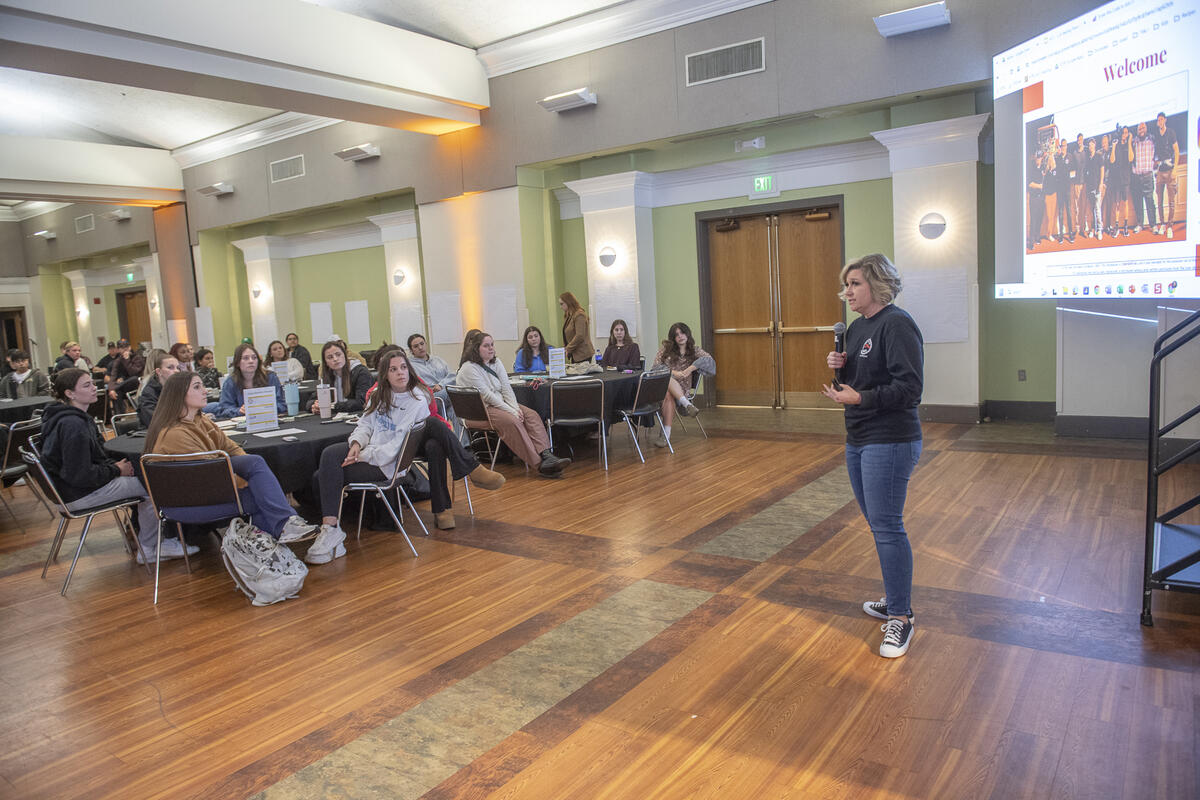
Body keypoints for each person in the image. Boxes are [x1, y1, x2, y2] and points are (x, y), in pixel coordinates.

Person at [821, 253, 923, 659]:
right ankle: (894, 595)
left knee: (887, 526)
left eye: (855, 284)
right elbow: (856, 381)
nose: (847, 292)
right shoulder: (858, 328)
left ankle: (901, 617)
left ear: (877, 285)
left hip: (891, 439)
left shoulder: (897, 324)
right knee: (877, 522)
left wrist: (860, 395)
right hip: (859, 436)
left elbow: (910, 389)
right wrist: (840, 369)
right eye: (846, 285)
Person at [314, 349, 505, 553]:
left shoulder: (416, 399)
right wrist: (356, 445)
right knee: (328, 456)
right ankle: (331, 528)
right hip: (374, 451)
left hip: (387, 463)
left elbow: (397, 446)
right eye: (393, 369)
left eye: (404, 367)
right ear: (385, 375)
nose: (400, 373)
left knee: (324, 474)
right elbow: (365, 425)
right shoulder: (378, 396)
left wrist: (362, 456)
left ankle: (331, 529)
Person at [40, 368, 197, 563]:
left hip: (67, 491)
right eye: (87, 385)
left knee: (142, 477)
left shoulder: (65, 418)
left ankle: (150, 538)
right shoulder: (74, 425)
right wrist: (116, 470)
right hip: (78, 493)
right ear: (70, 393)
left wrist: (115, 468)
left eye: (92, 383)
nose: (94, 388)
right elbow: (80, 474)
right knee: (156, 487)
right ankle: (150, 548)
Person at [144, 372, 318, 543]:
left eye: (202, 386)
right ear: (179, 395)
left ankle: (278, 536)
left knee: (255, 465)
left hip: (206, 490)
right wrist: (247, 482)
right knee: (261, 496)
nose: (205, 391)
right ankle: (275, 539)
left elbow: (230, 447)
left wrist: (251, 476)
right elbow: (209, 475)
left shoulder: (201, 420)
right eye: (197, 387)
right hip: (188, 502)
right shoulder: (175, 434)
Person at [456, 331, 570, 478]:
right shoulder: (468, 368)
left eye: (492, 345)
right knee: (512, 420)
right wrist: (512, 411)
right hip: (477, 410)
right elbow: (488, 396)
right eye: (486, 346)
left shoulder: (496, 362)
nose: (491, 348)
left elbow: (506, 388)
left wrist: (515, 408)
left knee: (531, 415)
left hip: (498, 405)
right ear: (476, 348)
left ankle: (547, 455)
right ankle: (539, 465)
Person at [651, 322, 715, 447]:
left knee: (668, 393)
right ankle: (687, 404)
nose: (680, 336)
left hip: (682, 389)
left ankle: (665, 435)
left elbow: (709, 361)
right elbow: (655, 369)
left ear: (687, 334)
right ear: (673, 338)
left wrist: (689, 369)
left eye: (682, 333)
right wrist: (673, 373)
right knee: (667, 382)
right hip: (661, 389)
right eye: (676, 335)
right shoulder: (665, 350)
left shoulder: (695, 351)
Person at [214, 343, 287, 419]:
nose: (251, 361)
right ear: (238, 362)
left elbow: (282, 404)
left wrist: (265, 408)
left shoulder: (271, 377)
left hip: (268, 419)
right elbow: (223, 409)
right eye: (246, 358)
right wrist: (239, 411)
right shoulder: (230, 382)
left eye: (254, 358)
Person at [406, 333, 460, 432]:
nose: (420, 347)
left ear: (426, 344)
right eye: (416, 346)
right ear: (411, 350)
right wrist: (432, 389)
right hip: (430, 396)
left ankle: (465, 446)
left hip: (445, 393)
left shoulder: (438, 360)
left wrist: (440, 385)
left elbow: (452, 375)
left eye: (422, 344)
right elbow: (415, 386)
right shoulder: (410, 366)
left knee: (456, 411)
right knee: (453, 394)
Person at [310, 340, 372, 414]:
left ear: (345, 356)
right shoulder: (327, 375)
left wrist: (332, 407)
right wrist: (314, 406)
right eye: (330, 357)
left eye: (338, 354)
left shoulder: (360, 372)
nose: (335, 359)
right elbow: (311, 399)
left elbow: (361, 402)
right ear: (325, 362)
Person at [136, 351, 182, 428]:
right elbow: (154, 420)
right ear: (159, 371)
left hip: (175, 427)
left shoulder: (175, 387)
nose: (176, 371)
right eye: (170, 367)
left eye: (178, 368)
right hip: (157, 433)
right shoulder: (149, 392)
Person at [1153, 111, 1179, 238]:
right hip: (1160, 170)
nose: (1160, 122)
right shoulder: (1156, 135)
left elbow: (1177, 151)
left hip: (1170, 170)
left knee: (1171, 201)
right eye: (1158, 120)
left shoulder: (1171, 132)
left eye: (1162, 119)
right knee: (1159, 200)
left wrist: (1175, 169)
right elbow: (1156, 154)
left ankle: (1170, 226)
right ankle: (1162, 224)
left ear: (1165, 120)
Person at [1131, 120, 1157, 233]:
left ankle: (1153, 225)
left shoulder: (1152, 140)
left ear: (1146, 129)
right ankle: (1140, 224)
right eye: (1139, 129)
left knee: (1150, 201)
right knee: (1137, 202)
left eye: (1143, 128)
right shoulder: (1133, 142)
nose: (1141, 131)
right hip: (1136, 176)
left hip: (1147, 176)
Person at [1108, 125, 1133, 237]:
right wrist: (1113, 146)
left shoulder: (1128, 145)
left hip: (1126, 178)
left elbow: (1131, 158)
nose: (1125, 134)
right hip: (1117, 179)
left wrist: (1129, 142)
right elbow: (1112, 160)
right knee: (1117, 203)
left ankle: (1126, 226)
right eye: (1123, 132)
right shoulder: (1116, 146)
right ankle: (1117, 226)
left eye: (1126, 133)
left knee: (1125, 202)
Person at [107, 339, 145, 412]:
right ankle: (120, 417)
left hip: (139, 383)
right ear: (118, 350)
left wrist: (127, 360)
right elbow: (113, 376)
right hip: (125, 386)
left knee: (134, 378)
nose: (125, 349)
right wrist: (111, 389)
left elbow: (133, 372)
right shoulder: (118, 361)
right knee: (115, 392)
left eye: (126, 347)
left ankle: (116, 388)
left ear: (130, 347)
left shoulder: (137, 357)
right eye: (121, 348)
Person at [559, 292, 593, 363]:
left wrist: (568, 348)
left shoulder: (579, 314)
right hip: (575, 354)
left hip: (583, 354)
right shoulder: (569, 315)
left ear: (568, 302)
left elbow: (580, 335)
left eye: (562, 304)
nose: (560, 307)